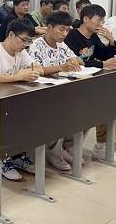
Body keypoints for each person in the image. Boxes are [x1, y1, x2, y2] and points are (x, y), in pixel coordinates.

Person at [64, 4, 116, 163]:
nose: (101, 24)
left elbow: (104, 54)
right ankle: (102, 146)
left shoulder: (93, 36)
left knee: (115, 98)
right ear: (86, 19)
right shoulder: (71, 36)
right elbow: (74, 62)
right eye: (98, 20)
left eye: (102, 20)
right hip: (74, 82)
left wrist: (111, 41)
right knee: (104, 102)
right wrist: (102, 64)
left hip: (90, 79)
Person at [0, 18, 43, 180]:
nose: (25, 45)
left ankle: (17, 156)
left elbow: (37, 67)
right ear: (11, 35)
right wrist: (18, 76)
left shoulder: (20, 51)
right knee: (14, 117)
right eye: (23, 40)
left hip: (5, 100)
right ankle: (3, 160)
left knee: (32, 113)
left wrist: (32, 71)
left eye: (29, 41)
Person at [29, 12, 83, 171]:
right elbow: (37, 70)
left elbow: (76, 59)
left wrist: (75, 61)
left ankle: (66, 148)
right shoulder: (37, 45)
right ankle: (54, 153)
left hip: (61, 89)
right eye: (61, 29)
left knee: (85, 109)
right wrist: (61, 67)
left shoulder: (62, 45)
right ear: (49, 28)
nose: (64, 34)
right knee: (60, 112)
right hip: (41, 92)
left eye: (67, 30)